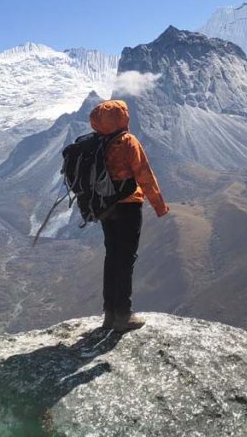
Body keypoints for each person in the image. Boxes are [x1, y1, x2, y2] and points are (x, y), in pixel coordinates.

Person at [88, 99, 169, 332]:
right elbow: (144, 174)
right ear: (121, 117)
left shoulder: (97, 143)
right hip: (128, 207)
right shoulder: (127, 141)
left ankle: (109, 314)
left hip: (105, 208)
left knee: (112, 256)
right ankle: (124, 315)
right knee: (126, 259)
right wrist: (159, 206)